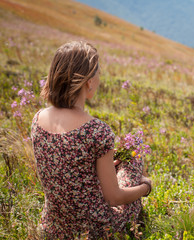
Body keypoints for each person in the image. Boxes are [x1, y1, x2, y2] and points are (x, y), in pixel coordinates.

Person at [31, 41, 152, 239]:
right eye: (98, 74)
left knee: (118, 162)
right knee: (133, 157)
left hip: (54, 226)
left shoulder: (38, 119)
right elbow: (114, 198)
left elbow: (63, 170)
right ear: (88, 81)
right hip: (95, 229)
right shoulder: (96, 130)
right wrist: (145, 187)